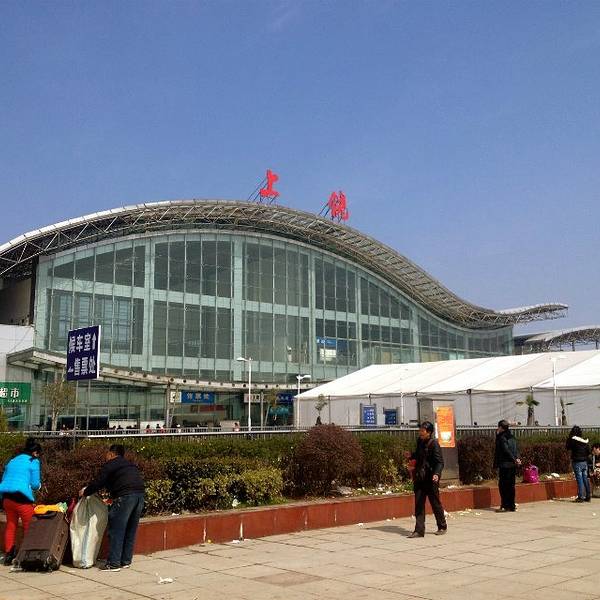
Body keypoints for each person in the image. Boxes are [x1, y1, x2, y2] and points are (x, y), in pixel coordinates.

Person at [79, 444, 145, 571]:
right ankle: (125, 561)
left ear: (111, 454)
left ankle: (114, 563)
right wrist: (113, 497)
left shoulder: (110, 464)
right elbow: (122, 481)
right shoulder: (129, 465)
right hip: (139, 496)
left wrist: (85, 492)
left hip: (125, 497)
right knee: (130, 529)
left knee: (116, 529)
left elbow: (99, 482)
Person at [0, 438, 42, 565]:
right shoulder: (33, 461)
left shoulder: (12, 460)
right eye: (39, 454)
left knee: (11, 525)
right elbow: (35, 484)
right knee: (28, 527)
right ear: (35, 452)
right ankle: (26, 555)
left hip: (7, 498)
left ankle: (9, 554)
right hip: (22, 499)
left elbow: (4, 478)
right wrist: (38, 486)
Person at [407, 421, 447, 538]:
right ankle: (419, 530)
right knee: (419, 503)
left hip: (430, 478)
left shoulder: (434, 444)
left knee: (435, 503)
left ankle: (442, 526)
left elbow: (439, 462)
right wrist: (411, 455)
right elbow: (419, 455)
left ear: (429, 432)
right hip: (420, 477)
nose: (420, 432)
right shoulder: (419, 441)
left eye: (422, 431)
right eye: (420, 430)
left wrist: (436, 474)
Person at [494, 420, 521, 512]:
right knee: (511, 486)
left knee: (503, 485)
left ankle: (505, 505)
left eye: (498, 427)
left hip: (505, 464)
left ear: (501, 427)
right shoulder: (512, 436)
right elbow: (516, 449)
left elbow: (506, 450)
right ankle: (511, 505)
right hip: (513, 464)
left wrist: (514, 459)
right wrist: (517, 459)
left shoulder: (502, 437)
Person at [566, 425, 591, 502]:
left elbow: (567, 447)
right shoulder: (584, 441)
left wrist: (569, 439)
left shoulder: (573, 440)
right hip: (584, 462)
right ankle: (588, 496)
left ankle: (581, 497)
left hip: (577, 462)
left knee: (579, 479)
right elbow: (588, 451)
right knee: (585, 478)